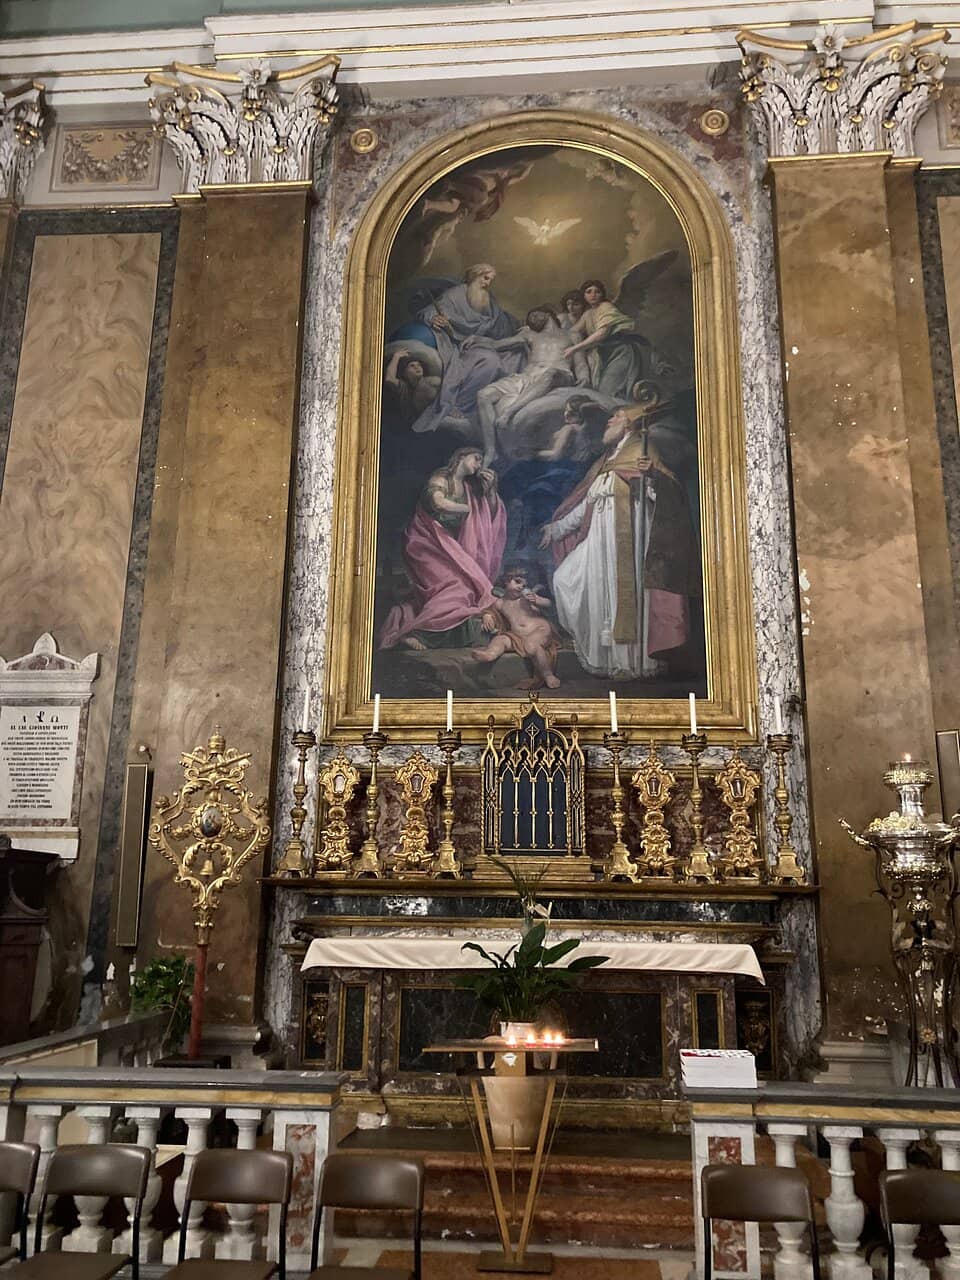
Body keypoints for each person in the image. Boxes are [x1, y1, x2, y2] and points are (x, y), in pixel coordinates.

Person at [539, 404, 700, 679]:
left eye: (616, 417)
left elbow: (665, 496)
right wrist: (555, 529)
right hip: (600, 538)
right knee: (566, 579)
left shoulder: (642, 450)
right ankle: (607, 658)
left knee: (624, 594)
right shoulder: (607, 460)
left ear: (629, 424)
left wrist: (651, 477)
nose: (609, 421)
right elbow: (587, 504)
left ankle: (631, 664)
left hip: (628, 539)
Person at [379, 446, 506, 652]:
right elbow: (438, 503)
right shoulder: (441, 478)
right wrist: (468, 509)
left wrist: (490, 490)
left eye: (481, 461)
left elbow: (489, 516)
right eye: (476, 459)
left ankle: (430, 633)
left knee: (464, 591)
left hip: (449, 547)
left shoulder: (469, 489)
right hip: (424, 543)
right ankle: (416, 632)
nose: (479, 465)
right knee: (456, 588)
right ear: (461, 457)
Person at [412, 264, 522, 431]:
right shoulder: (455, 294)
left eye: (491, 280)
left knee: (510, 358)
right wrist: (434, 318)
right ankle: (457, 407)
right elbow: (428, 311)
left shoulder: (488, 300)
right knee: (491, 362)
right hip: (459, 345)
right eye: (485, 278)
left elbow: (502, 324)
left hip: (482, 343)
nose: (488, 283)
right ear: (474, 276)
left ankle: (470, 408)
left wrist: (520, 328)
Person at [471, 306, 575, 464]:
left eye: (534, 314)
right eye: (529, 317)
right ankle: (491, 451)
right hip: (526, 377)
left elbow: (580, 361)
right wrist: (476, 339)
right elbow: (497, 344)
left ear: (548, 314)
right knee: (483, 395)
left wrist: (584, 377)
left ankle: (509, 413)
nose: (530, 319)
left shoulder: (571, 335)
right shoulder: (529, 334)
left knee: (550, 373)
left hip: (559, 375)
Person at [471, 564, 562, 690]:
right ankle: (490, 654)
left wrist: (537, 600)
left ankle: (548, 674)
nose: (520, 587)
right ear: (506, 581)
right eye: (517, 582)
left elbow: (548, 604)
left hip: (539, 630)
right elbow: (490, 610)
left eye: (524, 585)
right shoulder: (500, 603)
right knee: (500, 639)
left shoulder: (526, 599)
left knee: (531, 646)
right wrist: (487, 616)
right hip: (517, 636)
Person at [562, 279, 655, 400]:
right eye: (589, 292)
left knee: (607, 391)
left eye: (597, 292)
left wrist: (575, 348)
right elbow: (573, 332)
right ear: (583, 295)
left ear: (602, 294)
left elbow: (602, 333)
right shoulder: (588, 313)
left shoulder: (606, 307)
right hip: (603, 356)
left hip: (620, 353)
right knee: (599, 392)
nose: (593, 295)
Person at [383, 349, 441, 428]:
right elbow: (389, 379)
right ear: (405, 373)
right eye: (412, 366)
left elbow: (451, 394)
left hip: (439, 420)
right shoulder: (404, 388)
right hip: (417, 427)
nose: (417, 367)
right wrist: (396, 356)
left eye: (419, 365)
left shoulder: (433, 381)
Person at [558, 289, 591, 385]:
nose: (571, 308)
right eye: (568, 304)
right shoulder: (562, 318)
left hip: (580, 351)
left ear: (583, 305)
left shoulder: (587, 318)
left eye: (575, 304)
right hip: (563, 350)